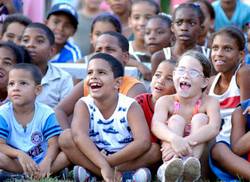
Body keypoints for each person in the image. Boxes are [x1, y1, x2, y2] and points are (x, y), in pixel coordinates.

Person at [59, 53, 151, 182]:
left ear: (117, 82)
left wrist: (107, 162)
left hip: (124, 157)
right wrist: (102, 165)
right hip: (95, 154)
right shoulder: (83, 104)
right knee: (65, 138)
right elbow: (79, 136)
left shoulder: (130, 105)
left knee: (154, 150)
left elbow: (143, 142)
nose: (94, 77)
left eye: (101, 72)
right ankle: (118, 176)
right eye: (90, 73)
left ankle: (95, 174)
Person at [55, 31, 147, 129]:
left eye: (109, 49)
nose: (103, 55)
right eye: (98, 50)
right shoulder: (88, 83)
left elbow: (133, 129)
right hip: (85, 140)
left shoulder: (134, 87)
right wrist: (67, 132)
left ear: (125, 57)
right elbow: (60, 110)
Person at [152, 50, 221, 182]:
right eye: (181, 70)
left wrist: (183, 142)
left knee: (201, 118)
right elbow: (156, 125)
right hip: (171, 153)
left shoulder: (210, 102)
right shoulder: (166, 101)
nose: (186, 75)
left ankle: (191, 169)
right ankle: (169, 168)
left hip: (200, 157)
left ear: (204, 82)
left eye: (193, 72)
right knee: (175, 120)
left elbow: (213, 127)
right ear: (174, 75)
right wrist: (173, 139)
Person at [0, 63, 62, 180]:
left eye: (23, 83)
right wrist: (19, 154)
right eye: (11, 84)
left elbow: (53, 144)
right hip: (17, 162)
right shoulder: (3, 113)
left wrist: (47, 162)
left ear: (38, 90)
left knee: (65, 155)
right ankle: (29, 174)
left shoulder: (46, 113)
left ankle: (42, 171)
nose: (16, 88)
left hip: (42, 161)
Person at [208, 26, 250, 180]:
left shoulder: (243, 73)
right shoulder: (211, 83)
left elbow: (246, 114)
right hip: (219, 147)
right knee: (217, 149)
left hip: (240, 143)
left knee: (218, 149)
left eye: (227, 49)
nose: (219, 53)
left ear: (241, 55)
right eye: (215, 48)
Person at [21, 23, 73, 108]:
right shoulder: (11, 73)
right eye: (26, 40)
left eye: (39, 41)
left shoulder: (63, 79)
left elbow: (65, 113)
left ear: (52, 51)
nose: (30, 44)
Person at [135, 60, 176, 169]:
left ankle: (118, 169)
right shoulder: (140, 102)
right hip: (136, 149)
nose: (160, 81)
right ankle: (117, 168)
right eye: (157, 75)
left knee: (155, 150)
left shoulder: (176, 108)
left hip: (158, 156)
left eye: (169, 79)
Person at [151, 3, 210, 75]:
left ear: (201, 28)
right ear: (172, 27)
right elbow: (155, 85)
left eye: (192, 23)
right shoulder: (159, 57)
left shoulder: (208, 56)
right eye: (179, 23)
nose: (184, 28)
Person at [128, 0, 159, 64]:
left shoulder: (165, 53)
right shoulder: (124, 50)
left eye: (148, 18)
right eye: (136, 18)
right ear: (129, 21)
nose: (142, 23)